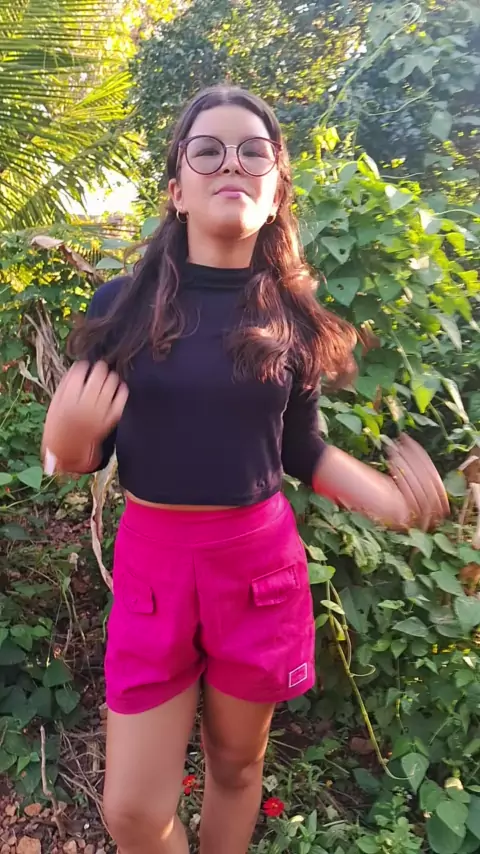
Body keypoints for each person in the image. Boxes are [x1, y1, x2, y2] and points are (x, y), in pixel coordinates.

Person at [42, 85, 448, 854]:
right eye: (208, 150)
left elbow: (301, 450)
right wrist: (64, 444)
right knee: (133, 813)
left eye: (253, 152)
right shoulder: (122, 307)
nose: (231, 163)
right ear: (177, 190)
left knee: (236, 767)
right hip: (155, 566)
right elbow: (76, 452)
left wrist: (392, 503)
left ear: (276, 190)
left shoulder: (289, 318)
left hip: (256, 566)